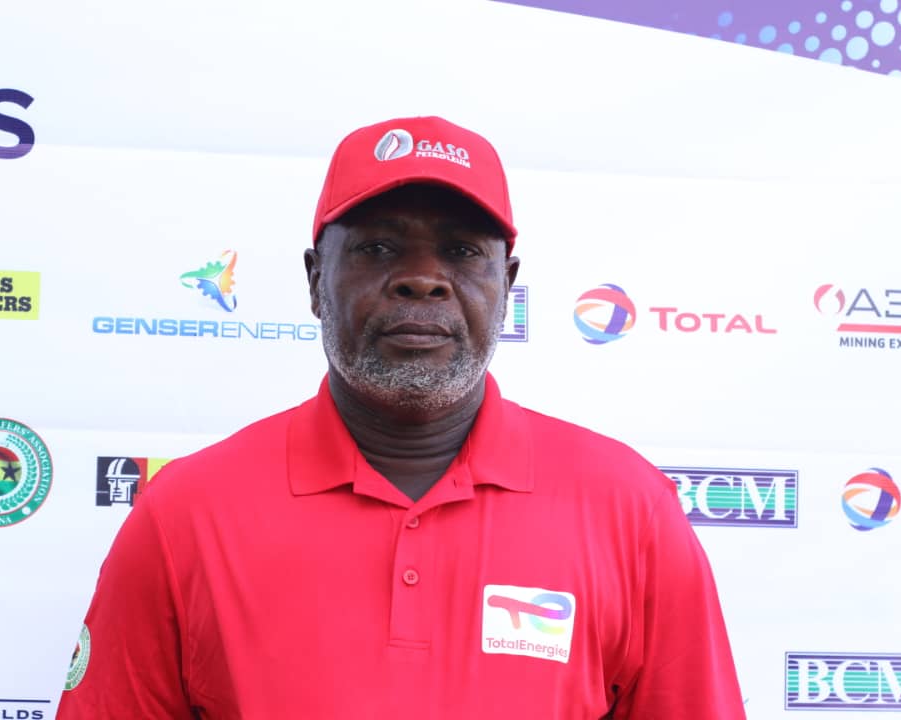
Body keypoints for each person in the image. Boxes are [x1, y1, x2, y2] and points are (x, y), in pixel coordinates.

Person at [56, 115, 745, 718]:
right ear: (315, 281)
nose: (423, 278)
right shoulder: (187, 513)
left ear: (506, 285)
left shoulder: (629, 509)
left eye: (462, 251)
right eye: (378, 248)